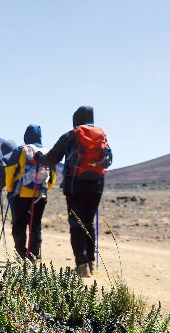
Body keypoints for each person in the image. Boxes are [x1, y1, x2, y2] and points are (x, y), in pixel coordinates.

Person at [36, 106, 112, 276]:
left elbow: (51, 159)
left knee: (76, 224)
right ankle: (92, 263)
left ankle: (82, 264)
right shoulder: (102, 136)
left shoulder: (71, 135)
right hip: (97, 186)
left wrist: (41, 159)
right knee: (89, 223)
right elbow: (109, 160)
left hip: (74, 186)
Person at [4, 125, 56, 261]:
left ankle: (21, 254)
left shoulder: (21, 150)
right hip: (40, 195)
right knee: (35, 225)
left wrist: (10, 189)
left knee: (19, 224)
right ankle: (33, 256)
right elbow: (53, 175)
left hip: (21, 194)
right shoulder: (48, 152)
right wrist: (44, 190)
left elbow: (9, 172)